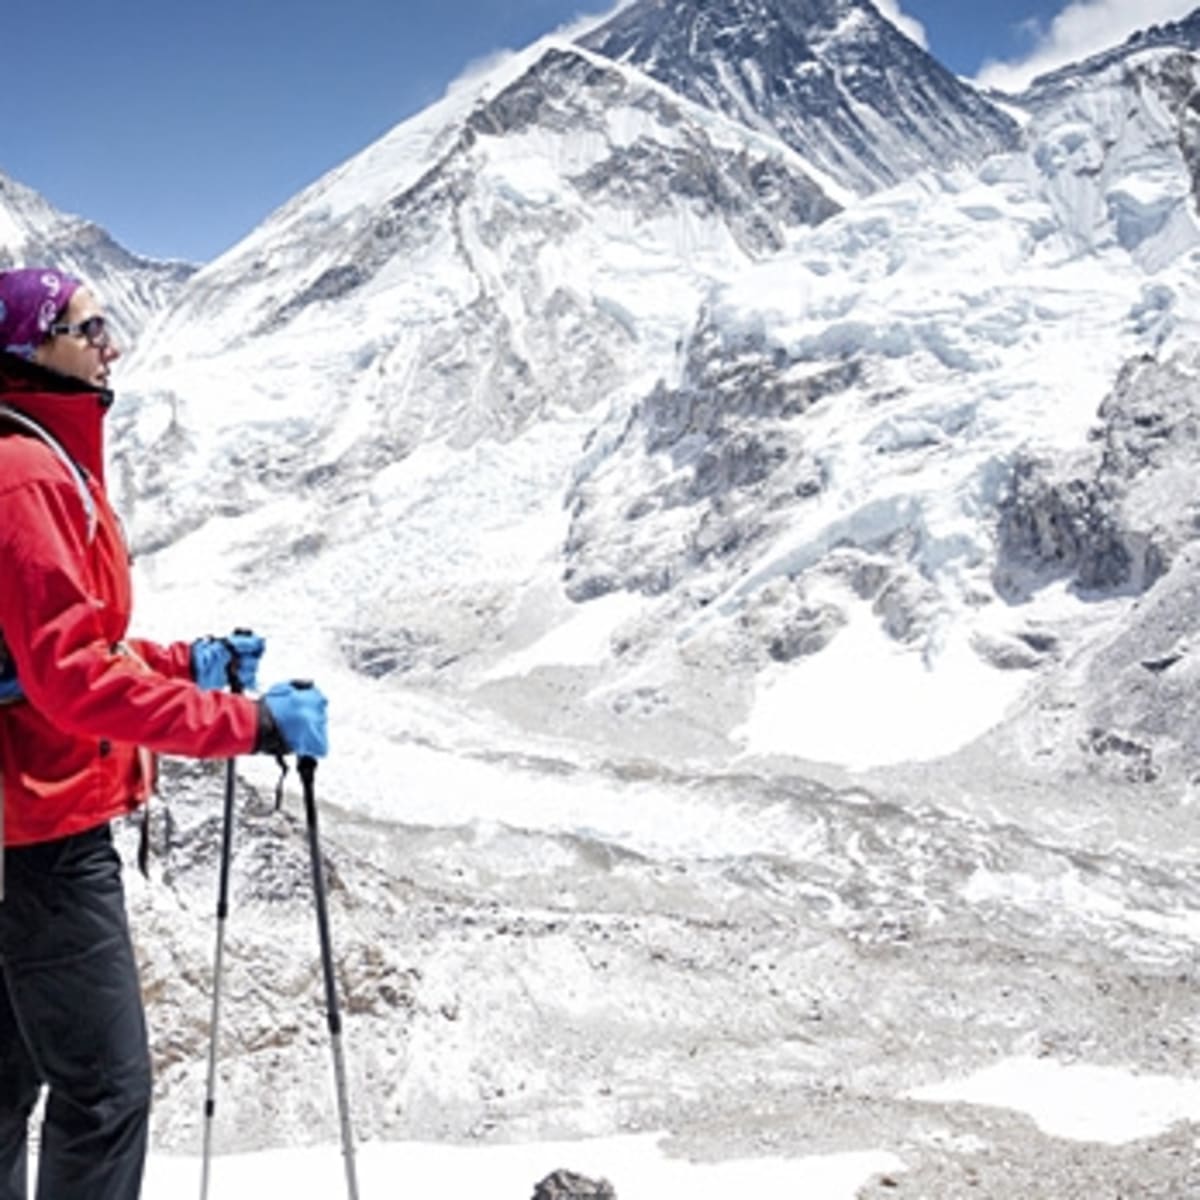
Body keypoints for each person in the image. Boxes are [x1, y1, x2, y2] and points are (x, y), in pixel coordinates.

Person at [0, 268, 328, 1200]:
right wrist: (250, 722)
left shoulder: (31, 459)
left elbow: (49, 652)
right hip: (44, 830)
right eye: (88, 326)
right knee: (104, 1094)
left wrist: (184, 662)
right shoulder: (26, 476)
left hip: (15, 826)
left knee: (7, 1085)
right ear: (33, 348)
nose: (112, 343)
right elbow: (69, 682)